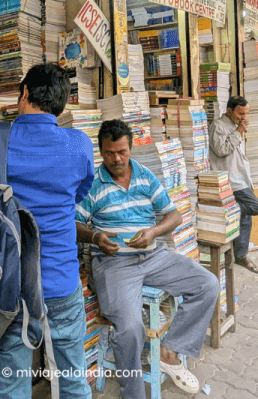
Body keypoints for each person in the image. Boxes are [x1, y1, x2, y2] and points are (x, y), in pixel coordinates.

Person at [0, 63, 95, 399]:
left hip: (6, 286)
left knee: (11, 385)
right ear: (63, 104)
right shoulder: (79, 145)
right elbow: (79, 195)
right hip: (60, 280)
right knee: (73, 378)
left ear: (25, 93)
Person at [75, 120, 219, 398]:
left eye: (122, 151)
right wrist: (94, 238)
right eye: (109, 153)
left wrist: (153, 231)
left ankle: (170, 351)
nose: (116, 159)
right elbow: (74, 223)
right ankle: (134, 393)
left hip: (153, 256)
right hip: (114, 263)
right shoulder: (92, 184)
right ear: (100, 151)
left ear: (130, 148)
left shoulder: (144, 176)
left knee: (208, 284)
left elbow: (174, 215)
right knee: (129, 328)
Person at [209, 96, 258, 273]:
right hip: (231, 180)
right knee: (255, 207)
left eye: (246, 114)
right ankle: (229, 211)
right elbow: (221, 150)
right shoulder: (219, 126)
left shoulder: (235, 126)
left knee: (245, 218)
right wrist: (238, 132)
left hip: (241, 178)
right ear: (229, 111)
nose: (243, 117)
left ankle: (241, 255)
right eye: (240, 113)